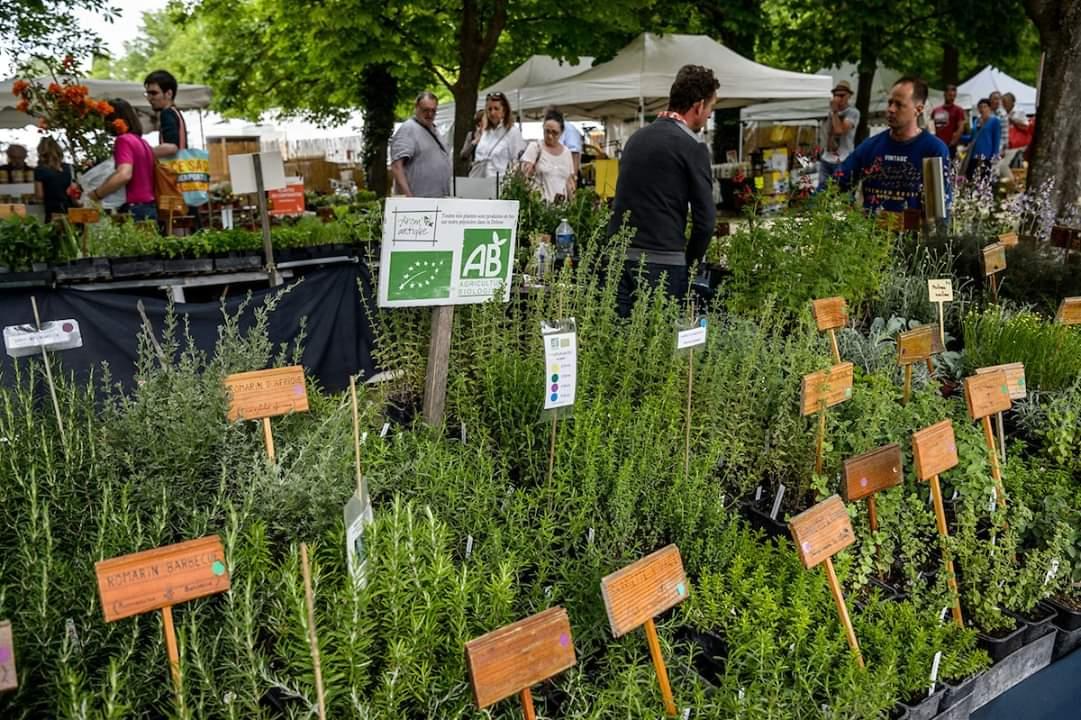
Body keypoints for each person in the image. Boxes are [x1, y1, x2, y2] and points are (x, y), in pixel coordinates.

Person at [608, 64, 717, 317]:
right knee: (661, 349)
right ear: (699, 106)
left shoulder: (636, 139)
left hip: (619, 258)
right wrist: (690, 266)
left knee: (619, 346)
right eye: (711, 108)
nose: (709, 115)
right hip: (663, 262)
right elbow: (706, 222)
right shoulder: (692, 146)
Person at [836, 76, 950, 212]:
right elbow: (837, 182)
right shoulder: (870, 146)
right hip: (870, 231)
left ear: (918, 110)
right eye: (890, 103)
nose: (891, 109)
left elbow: (940, 210)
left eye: (899, 104)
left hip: (912, 232)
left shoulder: (933, 150)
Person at [87, 98, 158, 222]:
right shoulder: (142, 142)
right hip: (149, 205)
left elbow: (124, 175)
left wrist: (97, 194)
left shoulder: (123, 140)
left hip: (133, 208)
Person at [389, 91, 451, 198]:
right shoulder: (408, 129)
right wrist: (409, 197)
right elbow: (396, 166)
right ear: (416, 108)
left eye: (433, 111)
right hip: (418, 201)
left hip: (436, 199)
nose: (430, 114)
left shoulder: (433, 129)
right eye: (426, 110)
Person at [465, 91, 524, 178]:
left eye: (496, 109)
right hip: (478, 183)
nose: (492, 113)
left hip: (499, 185)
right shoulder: (485, 132)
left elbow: (518, 163)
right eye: (489, 109)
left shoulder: (512, 132)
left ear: (504, 111)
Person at [520, 110, 576, 202]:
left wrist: (574, 206)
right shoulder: (535, 147)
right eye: (547, 131)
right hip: (539, 207)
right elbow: (523, 176)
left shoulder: (567, 153)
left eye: (555, 133)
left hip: (561, 208)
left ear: (561, 132)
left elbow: (570, 183)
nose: (550, 136)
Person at [817, 80, 860, 189]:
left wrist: (835, 112)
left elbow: (839, 130)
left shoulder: (853, 112)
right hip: (826, 159)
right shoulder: (830, 112)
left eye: (841, 95)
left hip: (843, 160)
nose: (837, 99)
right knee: (821, 194)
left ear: (849, 96)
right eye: (835, 95)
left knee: (842, 193)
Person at [143, 69, 188, 158]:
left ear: (169, 94)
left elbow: (171, 148)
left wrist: (141, 154)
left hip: (171, 170)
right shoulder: (175, 112)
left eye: (153, 93)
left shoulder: (167, 114)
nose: (149, 98)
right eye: (147, 94)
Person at [33, 137, 76, 220]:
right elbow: (73, 189)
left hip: (53, 211)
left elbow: (39, 195)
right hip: (71, 209)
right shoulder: (68, 168)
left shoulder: (40, 170)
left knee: (54, 231)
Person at [966, 98, 1001, 181]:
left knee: (984, 179)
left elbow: (996, 140)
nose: (982, 109)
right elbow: (972, 137)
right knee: (971, 177)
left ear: (989, 108)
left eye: (985, 107)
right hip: (974, 155)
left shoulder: (994, 121)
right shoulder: (976, 121)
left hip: (986, 155)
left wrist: (994, 156)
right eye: (980, 107)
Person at [930, 84, 966, 158]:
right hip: (937, 144)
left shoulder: (958, 110)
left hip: (950, 146)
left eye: (954, 96)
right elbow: (931, 127)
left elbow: (961, 128)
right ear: (945, 94)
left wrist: (953, 142)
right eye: (950, 95)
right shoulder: (936, 110)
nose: (952, 98)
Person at [547, 104, 584, 175]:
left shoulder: (569, 129)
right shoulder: (553, 129)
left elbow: (574, 154)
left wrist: (573, 177)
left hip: (567, 174)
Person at [989, 91, 1010, 159]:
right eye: (995, 99)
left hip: (998, 148)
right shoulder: (987, 112)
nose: (997, 101)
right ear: (990, 100)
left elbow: (1005, 133)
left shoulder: (1002, 114)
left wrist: (1005, 149)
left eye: (999, 99)